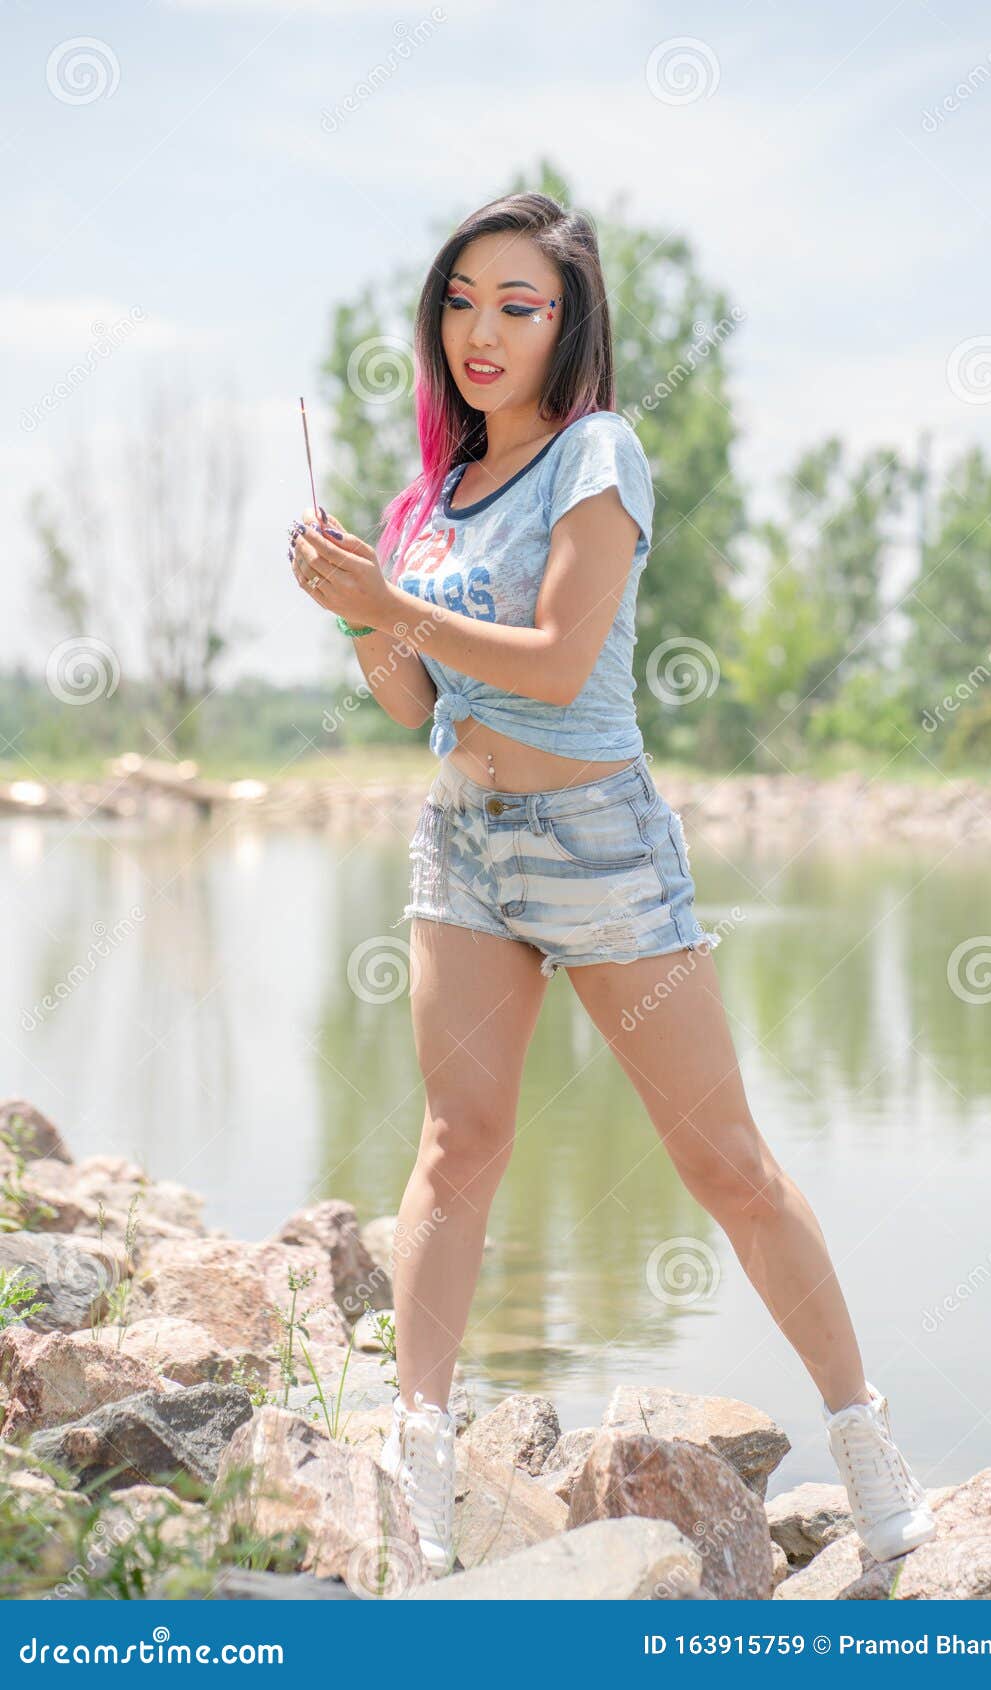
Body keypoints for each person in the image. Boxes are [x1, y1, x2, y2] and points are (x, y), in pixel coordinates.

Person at [289, 191, 936, 1581]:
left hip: (601, 849)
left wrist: (393, 604)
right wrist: (356, 602)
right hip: (465, 844)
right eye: (461, 298)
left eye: (517, 303)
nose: (482, 328)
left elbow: (552, 660)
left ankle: (868, 1440)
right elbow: (415, 697)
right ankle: (419, 1467)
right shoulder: (433, 498)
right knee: (458, 1146)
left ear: (565, 322)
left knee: (728, 1166)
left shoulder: (600, 454)